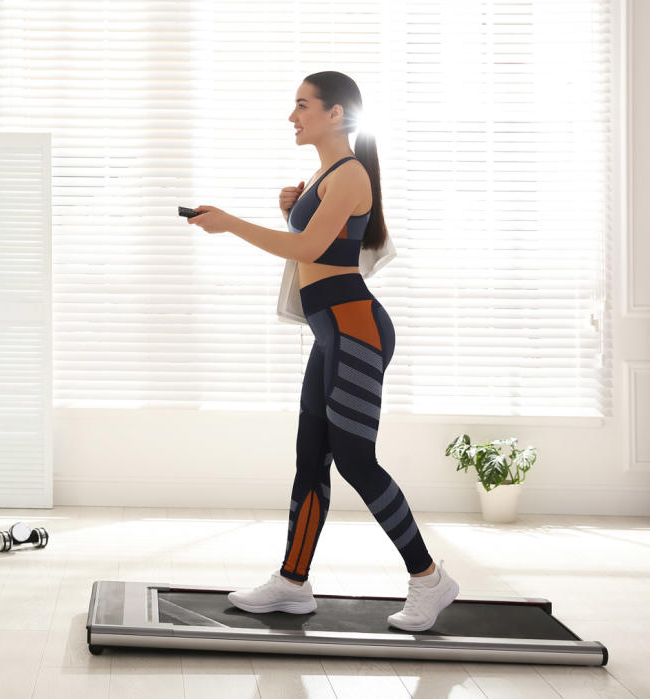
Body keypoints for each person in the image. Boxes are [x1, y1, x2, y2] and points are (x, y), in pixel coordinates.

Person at [186, 71, 460, 632]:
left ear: (336, 114)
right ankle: (292, 582)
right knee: (311, 456)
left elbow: (310, 248)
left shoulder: (351, 173)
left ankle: (430, 580)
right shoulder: (327, 173)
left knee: (357, 460)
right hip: (331, 332)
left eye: (302, 106)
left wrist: (231, 224)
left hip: (356, 330)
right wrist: (293, 201)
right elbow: (318, 237)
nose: (293, 116)